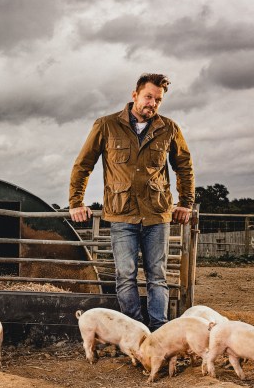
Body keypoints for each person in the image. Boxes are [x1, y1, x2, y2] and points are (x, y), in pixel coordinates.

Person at [68, 73, 194, 331]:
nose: (153, 104)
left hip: (157, 215)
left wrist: (186, 203)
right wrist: (76, 202)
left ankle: (160, 331)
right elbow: (83, 165)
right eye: (148, 97)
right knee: (125, 276)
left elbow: (184, 167)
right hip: (121, 215)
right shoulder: (106, 125)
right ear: (134, 95)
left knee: (157, 276)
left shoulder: (169, 128)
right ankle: (135, 332)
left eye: (158, 100)